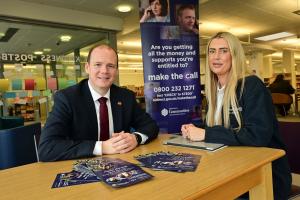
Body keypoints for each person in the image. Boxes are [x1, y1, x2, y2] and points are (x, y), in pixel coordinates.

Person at [181, 32, 291, 200]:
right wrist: (196, 129)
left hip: (264, 175)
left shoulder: (252, 85)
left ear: (234, 56)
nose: (216, 56)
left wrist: (206, 134)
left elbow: (258, 136)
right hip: (229, 167)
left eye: (223, 51)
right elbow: (224, 128)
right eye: (212, 51)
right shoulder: (214, 90)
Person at [39, 44, 159, 161]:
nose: (104, 71)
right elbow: (47, 148)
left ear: (116, 70)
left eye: (110, 66)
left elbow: (151, 126)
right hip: (80, 168)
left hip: (121, 164)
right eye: (97, 64)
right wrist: (102, 147)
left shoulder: (126, 96)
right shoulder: (67, 98)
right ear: (87, 68)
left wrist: (135, 138)